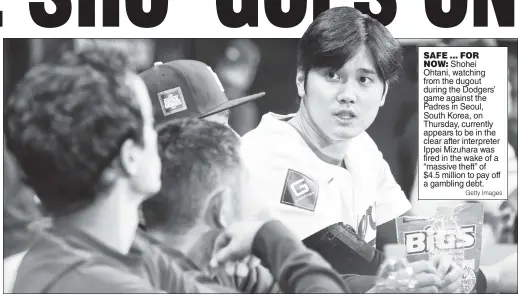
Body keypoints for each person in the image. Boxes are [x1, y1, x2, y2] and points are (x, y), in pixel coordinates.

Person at [137, 58, 457, 294]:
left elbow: (295, 285)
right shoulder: (138, 267)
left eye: (226, 123)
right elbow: (339, 260)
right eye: (211, 133)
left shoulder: (224, 257)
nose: (232, 141)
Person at [4, 48, 293, 294]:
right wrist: (273, 237)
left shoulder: (125, 250)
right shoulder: (103, 280)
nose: (162, 144)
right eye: (149, 128)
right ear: (130, 157)